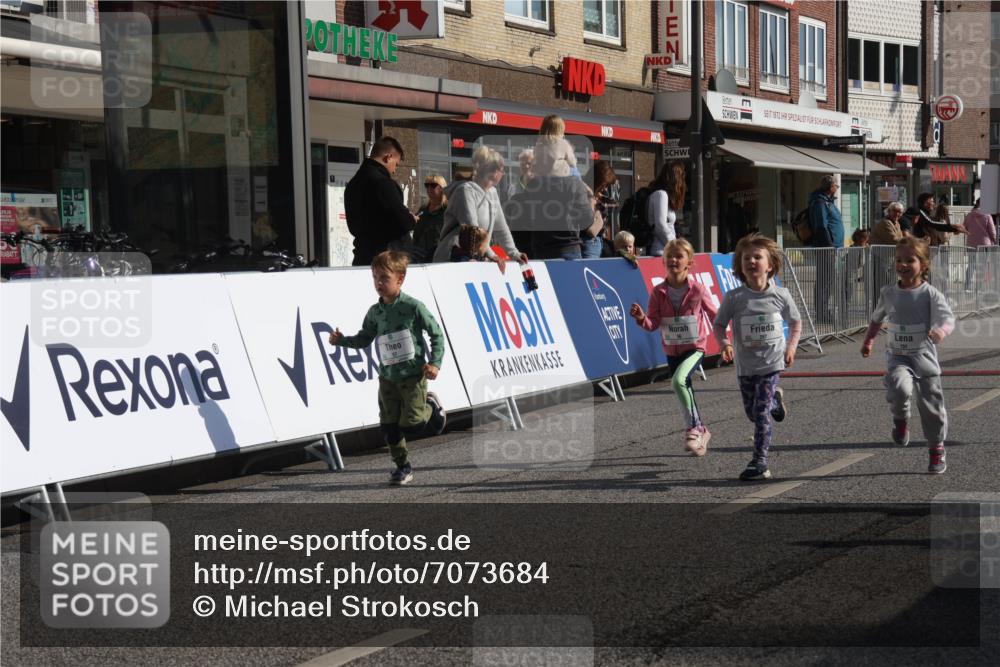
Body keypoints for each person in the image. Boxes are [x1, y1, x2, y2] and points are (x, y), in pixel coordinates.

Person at [328, 251, 446, 486]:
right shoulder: (375, 313)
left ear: (400, 279)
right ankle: (403, 467)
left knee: (413, 425)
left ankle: (430, 407)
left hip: (412, 376)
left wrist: (435, 363)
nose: (378, 283)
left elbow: (436, 334)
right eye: (375, 278)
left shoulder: (413, 307)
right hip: (388, 378)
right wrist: (341, 340)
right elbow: (364, 339)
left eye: (384, 278)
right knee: (388, 426)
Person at [713, 234, 803, 481]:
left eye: (757, 257)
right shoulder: (734, 298)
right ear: (740, 266)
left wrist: (791, 348)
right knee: (753, 413)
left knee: (761, 415)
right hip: (745, 366)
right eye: (746, 258)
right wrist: (724, 344)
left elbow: (796, 323)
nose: (752, 261)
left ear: (770, 264)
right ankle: (775, 400)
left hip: (772, 363)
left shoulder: (781, 295)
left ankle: (759, 462)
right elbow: (719, 325)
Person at [861, 238, 955, 474]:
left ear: (924, 265)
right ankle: (901, 419)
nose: (903, 265)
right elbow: (876, 318)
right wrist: (869, 341)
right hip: (898, 356)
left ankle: (936, 448)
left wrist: (941, 331)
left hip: (923, 357)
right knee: (899, 388)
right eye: (899, 260)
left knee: (932, 408)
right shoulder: (889, 293)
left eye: (910, 260)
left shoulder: (930, 294)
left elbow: (948, 319)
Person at [629, 239, 718, 456]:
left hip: (695, 347)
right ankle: (702, 430)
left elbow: (716, 316)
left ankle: (693, 428)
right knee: (684, 387)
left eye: (679, 256)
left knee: (678, 381)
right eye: (669, 256)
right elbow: (652, 324)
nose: (673, 260)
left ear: (689, 262)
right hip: (671, 350)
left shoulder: (697, 289)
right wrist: (641, 318)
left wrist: (726, 342)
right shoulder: (658, 292)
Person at [433, 147, 527, 270]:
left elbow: (501, 228)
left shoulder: (492, 192)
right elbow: (473, 230)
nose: (503, 173)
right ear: (493, 171)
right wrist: (493, 255)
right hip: (453, 257)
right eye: (502, 170)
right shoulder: (466, 191)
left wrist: (515, 254)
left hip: (474, 258)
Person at [344, 136, 418, 266]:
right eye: (396, 164)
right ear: (388, 157)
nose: (394, 170)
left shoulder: (353, 184)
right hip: (388, 261)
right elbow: (400, 219)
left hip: (363, 256)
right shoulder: (383, 183)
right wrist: (411, 219)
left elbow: (354, 226)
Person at [506, 165, 593, 261]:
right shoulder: (572, 186)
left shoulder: (533, 192)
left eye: (531, 167)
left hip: (541, 250)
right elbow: (587, 221)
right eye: (525, 167)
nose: (529, 172)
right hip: (557, 249)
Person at [807, 174, 844, 325]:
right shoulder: (820, 202)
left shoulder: (827, 201)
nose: (837, 189)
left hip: (832, 248)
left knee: (828, 280)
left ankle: (824, 310)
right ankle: (822, 313)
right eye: (836, 186)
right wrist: (828, 246)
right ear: (831, 187)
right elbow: (821, 226)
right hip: (826, 248)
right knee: (825, 280)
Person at [646, 161, 685, 256]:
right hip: (662, 251)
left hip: (665, 250)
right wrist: (676, 247)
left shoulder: (662, 195)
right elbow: (660, 225)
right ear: (675, 177)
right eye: (681, 176)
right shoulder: (661, 195)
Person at [582, 160, 617, 259]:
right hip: (589, 243)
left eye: (607, 186)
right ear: (597, 179)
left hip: (598, 242)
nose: (605, 189)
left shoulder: (597, 196)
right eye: (604, 185)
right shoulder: (585, 194)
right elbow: (591, 229)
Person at [410, 174, 448, 263]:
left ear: (442, 188)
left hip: (439, 252)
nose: (429, 189)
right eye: (427, 185)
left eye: (433, 185)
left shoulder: (448, 208)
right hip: (419, 251)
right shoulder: (424, 208)